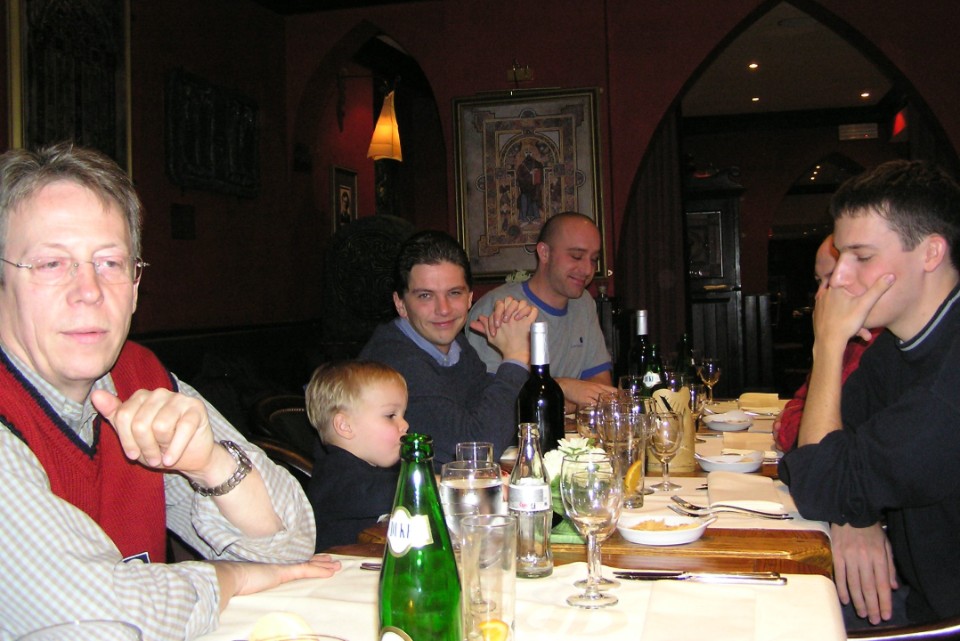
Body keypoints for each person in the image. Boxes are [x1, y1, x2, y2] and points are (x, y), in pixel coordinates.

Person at [0, 143, 339, 641]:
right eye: (51, 263)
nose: (89, 290)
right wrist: (230, 577)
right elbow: (94, 622)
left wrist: (209, 465)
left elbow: (289, 545)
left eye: (110, 263)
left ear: (135, 286)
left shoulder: (139, 379)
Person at [779, 159, 960, 628]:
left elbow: (820, 478)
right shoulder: (896, 350)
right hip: (916, 595)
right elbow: (808, 457)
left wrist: (828, 344)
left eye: (861, 257)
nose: (839, 278)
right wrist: (854, 515)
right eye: (841, 256)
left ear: (931, 252)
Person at [359, 230, 536, 467]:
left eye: (454, 293)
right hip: (395, 491)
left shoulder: (455, 345)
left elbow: (490, 413)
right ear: (400, 304)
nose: (443, 309)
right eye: (425, 295)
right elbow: (474, 451)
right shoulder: (395, 363)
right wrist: (516, 357)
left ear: (470, 298)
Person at [468, 212, 616, 409]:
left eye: (593, 259)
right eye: (577, 256)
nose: (588, 270)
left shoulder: (584, 304)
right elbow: (495, 402)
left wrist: (552, 396)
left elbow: (601, 387)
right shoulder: (499, 307)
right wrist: (562, 387)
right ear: (544, 253)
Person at [772, 235, 879, 452]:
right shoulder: (850, 342)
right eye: (819, 282)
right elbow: (801, 400)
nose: (820, 295)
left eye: (831, 279)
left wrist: (798, 423)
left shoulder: (878, 347)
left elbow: (816, 445)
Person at [305, 360, 408, 552]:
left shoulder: (384, 470)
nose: (405, 425)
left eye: (403, 414)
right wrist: (431, 482)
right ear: (345, 426)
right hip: (341, 568)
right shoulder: (333, 476)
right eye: (390, 415)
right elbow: (381, 493)